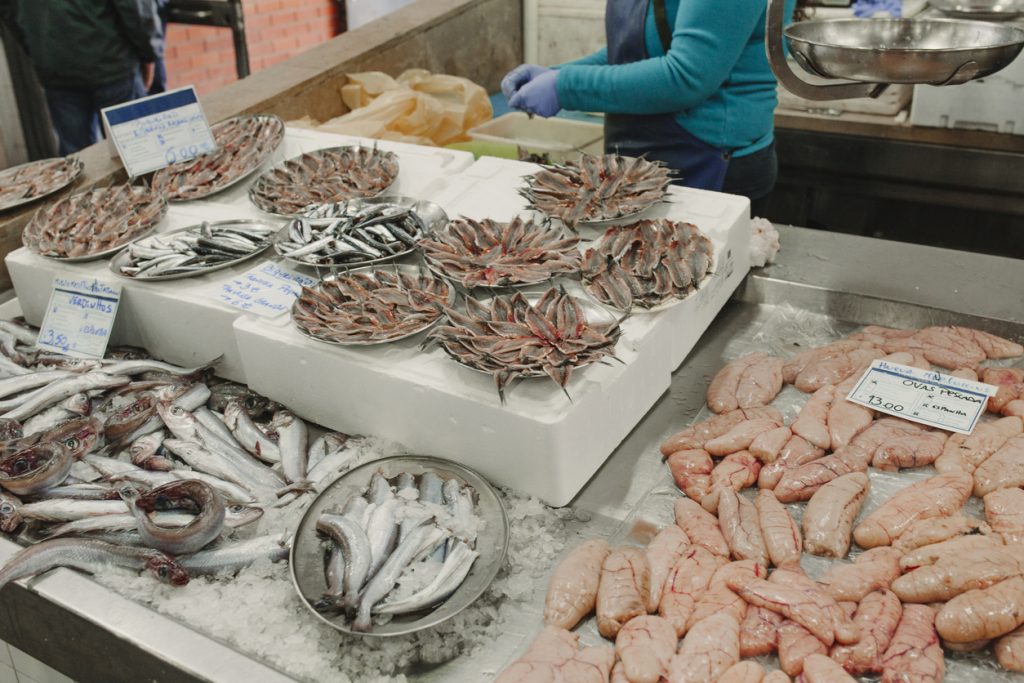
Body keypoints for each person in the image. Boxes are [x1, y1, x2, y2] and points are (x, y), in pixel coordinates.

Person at [502, 0, 796, 212]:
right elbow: (637, 48)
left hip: (710, 162)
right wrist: (557, 73)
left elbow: (687, 76)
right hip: (648, 156)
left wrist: (566, 86)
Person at [2, 0, 161, 154]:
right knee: (136, 149)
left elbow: (9, 11)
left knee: (80, 159)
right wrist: (149, 54)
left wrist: (37, 49)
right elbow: (135, 8)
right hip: (111, 63)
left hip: (58, 66)